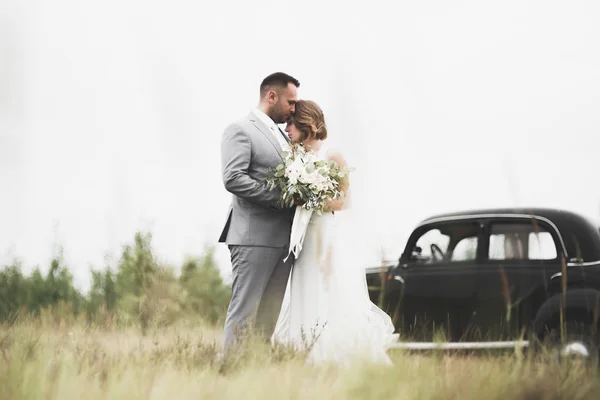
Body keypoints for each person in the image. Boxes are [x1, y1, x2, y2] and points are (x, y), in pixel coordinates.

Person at [272, 99, 399, 366]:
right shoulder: (294, 157)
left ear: (306, 121)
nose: (286, 127)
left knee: (327, 293)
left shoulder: (332, 154)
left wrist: (311, 199)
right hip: (303, 239)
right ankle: (302, 351)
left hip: (325, 237)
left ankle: (329, 357)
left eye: (290, 122)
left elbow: (344, 201)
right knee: (304, 290)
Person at [218, 72, 300, 356]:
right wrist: (281, 199)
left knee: (268, 320)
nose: (293, 109)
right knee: (244, 313)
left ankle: (256, 376)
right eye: (290, 102)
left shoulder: (284, 135)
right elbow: (233, 178)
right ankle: (228, 371)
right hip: (252, 238)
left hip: (283, 242)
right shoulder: (240, 129)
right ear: (272, 96)